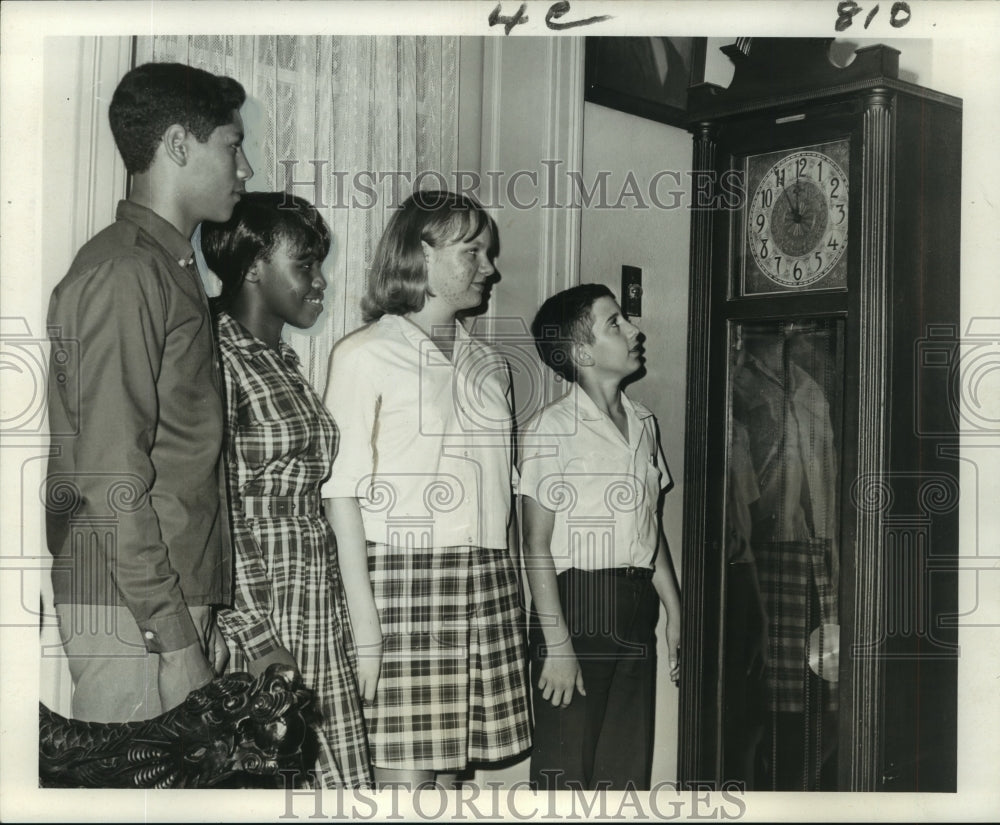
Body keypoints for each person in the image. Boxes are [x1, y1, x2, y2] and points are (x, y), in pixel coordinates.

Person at [45, 62, 253, 723]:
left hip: (156, 600)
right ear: (179, 145)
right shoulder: (126, 271)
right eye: (232, 144)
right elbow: (110, 472)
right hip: (136, 610)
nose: (244, 168)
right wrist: (173, 635)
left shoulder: (165, 267)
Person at [322, 190, 532, 788]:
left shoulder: (490, 366)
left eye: (487, 252)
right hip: (400, 583)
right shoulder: (365, 354)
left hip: (485, 580)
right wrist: (365, 625)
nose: (489, 268)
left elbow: (500, 496)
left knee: (449, 782)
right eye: (473, 252)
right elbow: (340, 494)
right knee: (405, 786)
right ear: (422, 253)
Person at [200, 192, 372, 789]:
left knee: (333, 783)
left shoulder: (280, 359)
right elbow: (222, 505)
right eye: (305, 265)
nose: (321, 282)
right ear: (251, 266)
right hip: (267, 604)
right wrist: (257, 637)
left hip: (313, 596)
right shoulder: (218, 357)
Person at [518, 283, 682, 791]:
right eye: (615, 323)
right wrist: (558, 646)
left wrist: (676, 612)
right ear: (581, 352)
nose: (634, 331)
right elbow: (536, 544)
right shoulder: (552, 429)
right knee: (566, 771)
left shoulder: (644, 424)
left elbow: (649, 530)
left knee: (625, 771)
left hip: (636, 609)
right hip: (578, 607)